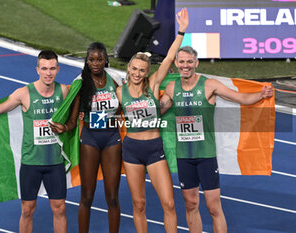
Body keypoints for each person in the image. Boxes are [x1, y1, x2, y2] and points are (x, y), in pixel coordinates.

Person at [160, 46, 273, 233]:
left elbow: (241, 98)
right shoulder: (172, 88)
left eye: (189, 62)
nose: (185, 65)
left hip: (206, 155)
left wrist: (261, 95)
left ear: (196, 63)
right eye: (182, 62)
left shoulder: (209, 85)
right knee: (190, 204)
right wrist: (134, 102)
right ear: (176, 64)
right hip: (184, 156)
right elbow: (158, 111)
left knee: (213, 207)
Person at [0, 50, 69, 233]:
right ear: (37, 70)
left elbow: (78, 109)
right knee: (27, 210)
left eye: (52, 68)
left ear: (58, 69)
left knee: (59, 208)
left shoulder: (64, 91)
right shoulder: (24, 93)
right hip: (31, 163)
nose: (48, 73)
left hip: (55, 162)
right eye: (44, 68)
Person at [113, 8, 188, 233]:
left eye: (142, 70)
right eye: (134, 69)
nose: (137, 73)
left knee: (169, 203)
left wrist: (181, 32)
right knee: (139, 204)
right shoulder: (119, 93)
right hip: (132, 150)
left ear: (147, 72)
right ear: (128, 68)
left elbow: (168, 59)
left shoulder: (154, 85)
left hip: (154, 149)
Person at [50, 42, 124, 233]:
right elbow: (74, 120)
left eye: (99, 59)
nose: (96, 63)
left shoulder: (115, 79)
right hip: (90, 140)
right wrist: (64, 127)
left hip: (111, 139)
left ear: (106, 59)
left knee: (113, 197)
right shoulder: (81, 83)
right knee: (87, 196)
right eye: (91, 59)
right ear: (87, 60)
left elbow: (125, 108)